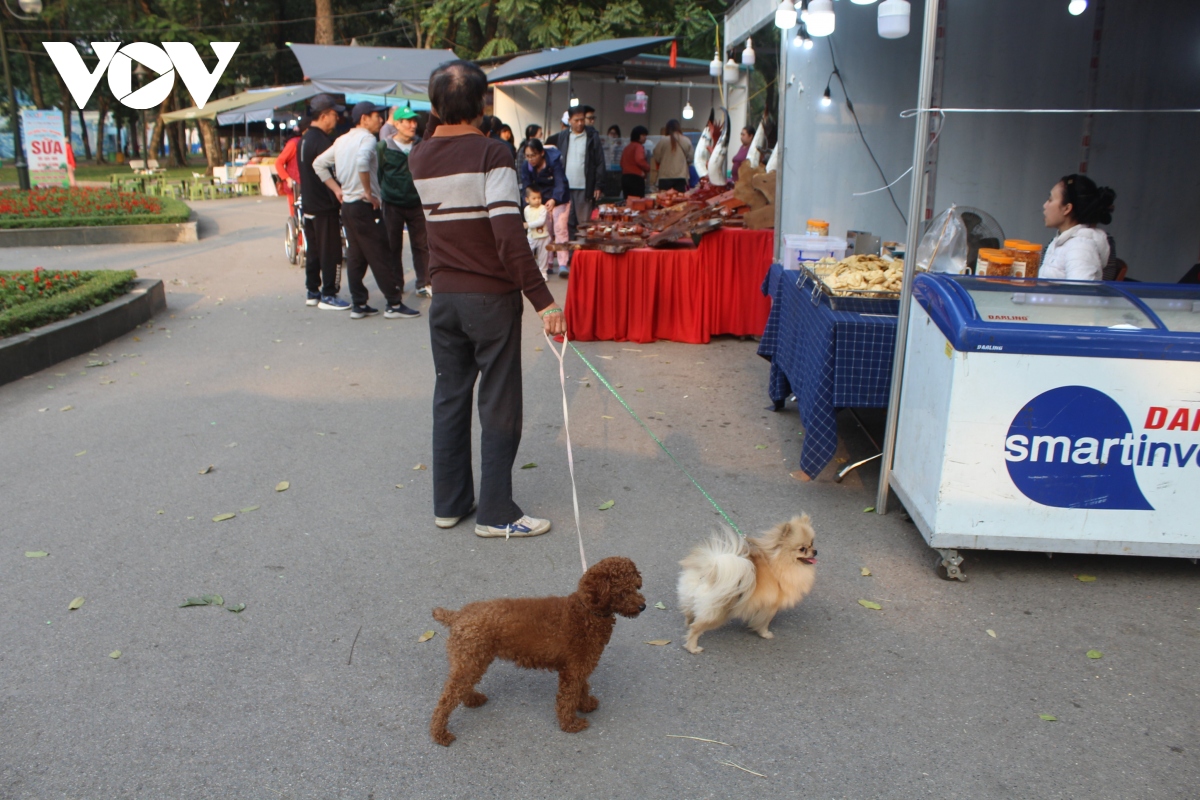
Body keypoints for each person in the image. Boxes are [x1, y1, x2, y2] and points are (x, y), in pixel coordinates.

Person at [409, 59, 566, 539]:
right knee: (499, 402)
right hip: (489, 299)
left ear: (434, 106)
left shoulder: (418, 156)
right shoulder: (492, 154)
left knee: (450, 397)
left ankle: (450, 504)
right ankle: (497, 513)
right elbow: (507, 236)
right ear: (483, 104)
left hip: (445, 298)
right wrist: (545, 301)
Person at [313, 100, 420, 319]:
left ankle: (359, 304)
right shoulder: (368, 139)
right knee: (379, 253)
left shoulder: (341, 140)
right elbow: (363, 162)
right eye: (376, 116)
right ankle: (393, 303)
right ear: (364, 119)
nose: (380, 120)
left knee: (356, 255)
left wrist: (337, 190)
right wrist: (369, 192)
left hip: (349, 207)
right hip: (364, 206)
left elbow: (319, 164)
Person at [298, 95, 350, 310]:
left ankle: (313, 290)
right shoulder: (322, 142)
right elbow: (333, 171)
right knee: (331, 252)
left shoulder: (304, 139)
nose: (337, 119)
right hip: (324, 206)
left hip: (309, 204)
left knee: (314, 250)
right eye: (334, 115)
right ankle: (329, 293)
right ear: (324, 115)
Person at [378, 105, 432, 298]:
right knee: (393, 245)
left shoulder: (421, 144)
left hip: (417, 202)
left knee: (422, 244)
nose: (412, 125)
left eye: (414, 121)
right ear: (397, 124)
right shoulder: (384, 146)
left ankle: (424, 282)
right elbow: (379, 173)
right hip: (392, 203)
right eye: (408, 121)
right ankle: (396, 283)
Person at [551, 107, 605, 278]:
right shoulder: (563, 136)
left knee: (584, 225)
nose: (580, 123)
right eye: (576, 120)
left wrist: (598, 185)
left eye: (582, 119)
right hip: (566, 188)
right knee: (566, 225)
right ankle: (567, 261)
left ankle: (584, 261)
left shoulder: (592, 137)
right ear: (570, 121)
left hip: (584, 187)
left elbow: (599, 163)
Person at [1040, 173, 1117, 281]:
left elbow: (1078, 296)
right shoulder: (1062, 241)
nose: (1045, 205)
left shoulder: (1081, 248)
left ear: (1067, 208)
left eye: (1050, 199)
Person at [273, 119, 308, 213]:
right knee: (296, 213)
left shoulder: (309, 142)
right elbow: (279, 163)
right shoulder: (294, 144)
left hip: (307, 183)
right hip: (295, 185)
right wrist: (288, 179)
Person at [650, 118, 693, 193]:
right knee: (679, 201)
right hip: (681, 176)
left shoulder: (663, 141)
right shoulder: (686, 140)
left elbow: (657, 157)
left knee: (664, 200)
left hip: (664, 176)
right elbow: (690, 158)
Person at [524, 186, 551, 280]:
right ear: (527, 199)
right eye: (534, 198)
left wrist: (528, 225)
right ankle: (529, 272)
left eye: (539, 198)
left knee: (543, 255)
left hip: (543, 236)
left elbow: (541, 221)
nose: (537, 200)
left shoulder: (543, 208)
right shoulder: (526, 209)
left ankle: (543, 272)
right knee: (528, 254)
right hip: (531, 236)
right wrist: (528, 226)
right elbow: (529, 219)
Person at [620, 125, 650, 198]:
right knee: (638, 203)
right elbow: (639, 160)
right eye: (643, 135)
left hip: (625, 178)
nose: (645, 137)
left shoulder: (627, 147)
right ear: (637, 136)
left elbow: (621, 163)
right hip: (636, 179)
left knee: (628, 202)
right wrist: (647, 168)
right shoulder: (638, 147)